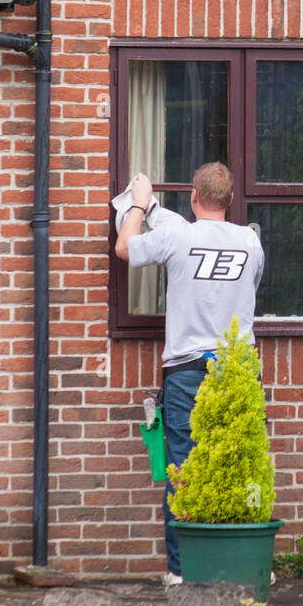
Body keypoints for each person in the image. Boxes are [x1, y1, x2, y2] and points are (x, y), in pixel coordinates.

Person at [115, 162, 264, 582]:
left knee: (183, 466)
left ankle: (181, 571)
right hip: (236, 366)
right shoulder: (250, 243)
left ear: (194, 199)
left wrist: (140, 207)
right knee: (241, 462)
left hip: (185, 369)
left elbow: (125, 248)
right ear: (231, 200)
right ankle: (244, 559)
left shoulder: (177, 234)